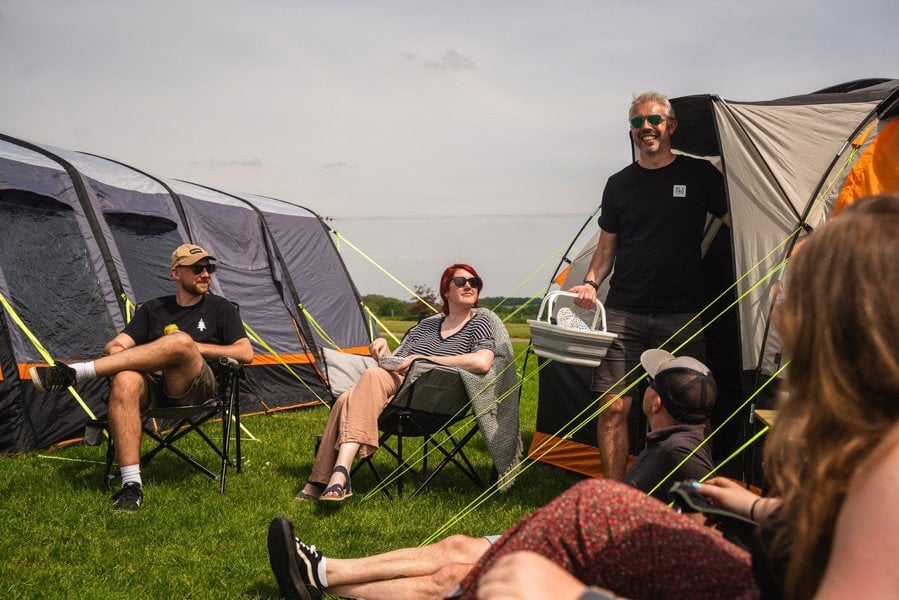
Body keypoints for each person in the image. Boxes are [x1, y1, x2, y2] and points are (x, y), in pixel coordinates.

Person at [461, 193, 899, 599]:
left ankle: (468, 573)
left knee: (538, 544)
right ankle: (471, 566)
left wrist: (578, 597)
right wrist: (760, 507)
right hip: (769, 569)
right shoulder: (873, 436)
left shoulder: (888, 469)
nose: (786, 322)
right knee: (596, 504)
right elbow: (846, 527)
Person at [267, 349, 718, 599]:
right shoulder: (678, 441)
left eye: (650, 384)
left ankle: (322, 579)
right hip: (571, 546)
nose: (643, 388)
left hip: (584, 567)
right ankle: (322, 572)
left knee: (453, 574)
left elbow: (686, 524)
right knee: (456, 547)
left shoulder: (680, 451)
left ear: (655, 402)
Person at [568, 90, 731, 481]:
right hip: (624, 310)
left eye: (654, 120)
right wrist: (590, 283)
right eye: (637, 122)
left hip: (682, 312)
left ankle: (694, 495)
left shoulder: (699, 176)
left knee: (692, 407)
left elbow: (738, 227)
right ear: (632, 131)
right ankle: (614, 498)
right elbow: (606, 248)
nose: (646, 128)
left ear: (670, 126)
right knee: (613, 408)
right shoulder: (619, 184)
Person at [29, 243, 254, 511]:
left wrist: (193, 347)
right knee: (124, 380)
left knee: (180, 341)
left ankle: (79, 372)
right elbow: (115, 346)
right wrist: (129, 359)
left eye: (209, 268)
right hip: (155, 388)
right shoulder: (152, 309)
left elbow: (246, 352)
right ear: (176, 273)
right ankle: (131, 486)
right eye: (197, 268)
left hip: (197, 387)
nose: (206, 274)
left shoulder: (221, 308)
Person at [295, 263, 495, 502]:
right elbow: (399, 359)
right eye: (461, 282)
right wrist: (384, 352)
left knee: (353, 395)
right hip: (400, 390)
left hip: (435, 397)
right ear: (446, 290)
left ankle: (326, 478)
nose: (469, 286)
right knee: (354, 394)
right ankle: (336, 478)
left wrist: (426, 359)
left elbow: (483, 362)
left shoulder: (480, 323)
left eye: (475, 282)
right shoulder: (427, 325)